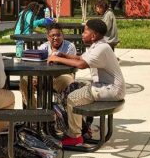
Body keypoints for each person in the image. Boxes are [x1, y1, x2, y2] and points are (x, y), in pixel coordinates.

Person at [47, 19, 125, 147]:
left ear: (93, 36)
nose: (82, 34)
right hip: (107, 87)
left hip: (110, 90)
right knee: (75, 89)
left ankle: (75, 136)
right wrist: (64, 56)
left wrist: (56, 58)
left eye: (85, 31)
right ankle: (81, 129)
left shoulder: (101, 48)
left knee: (72, 98)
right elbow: (81, 58)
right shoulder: (98, 46)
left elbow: (81, 64)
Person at [20, 23, 77, 107]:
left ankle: (66, 112)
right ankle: (33, 112)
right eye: (52, 36)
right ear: (48, 37)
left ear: (63, 35)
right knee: (24, 80)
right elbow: (38, 64)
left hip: (61, 76)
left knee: (69, 82)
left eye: (58, 35)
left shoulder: (69, 46)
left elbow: (71, 65)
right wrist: (36, 76)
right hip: (44, 76)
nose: (55, 38)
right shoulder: (43, 47)